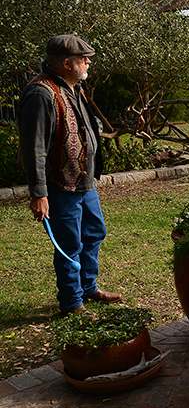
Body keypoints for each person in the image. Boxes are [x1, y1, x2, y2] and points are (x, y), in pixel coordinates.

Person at [18, 34, 122, 316]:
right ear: (66, 63)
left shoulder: (73, 87)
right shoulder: (41, 94)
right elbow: (34, 149)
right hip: (60, 185)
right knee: (69, 245)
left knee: (94, 233)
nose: (88, 62)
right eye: (83, 59)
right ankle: (72, 302)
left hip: (84, 182)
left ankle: (88, 287)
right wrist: (39, 194)